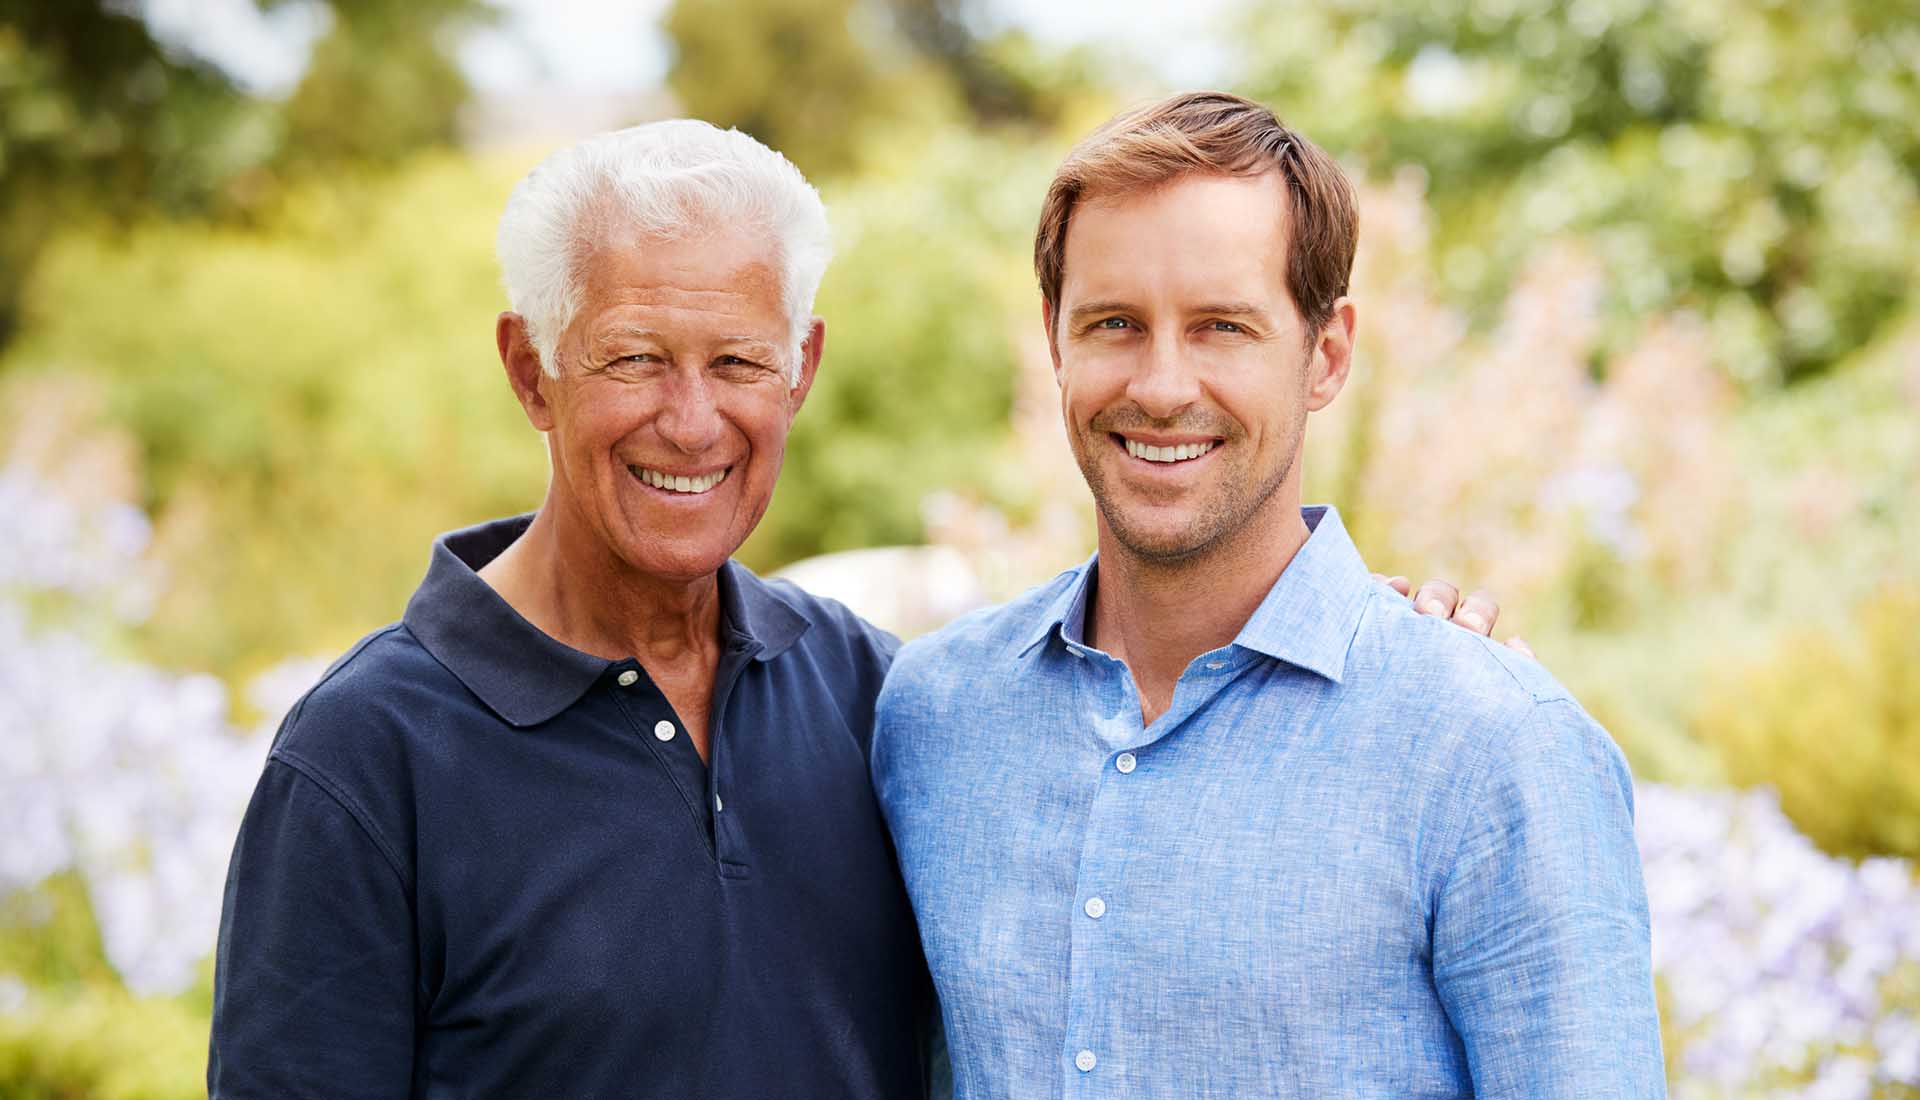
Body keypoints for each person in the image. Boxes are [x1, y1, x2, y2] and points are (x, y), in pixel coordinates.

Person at [208, 119, 1503, 1096]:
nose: (692, 418)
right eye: (634, 358)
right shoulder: (364, 768)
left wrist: (1380, 643)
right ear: (530, 369)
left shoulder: (883, 701)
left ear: (803, 369)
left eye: (738, 362)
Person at [870, 91, 1665, 1098]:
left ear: (1325, 353)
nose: (1161, 385)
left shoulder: (1491, 747)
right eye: (1114, 322)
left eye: (1222, 327)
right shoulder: (934, 715)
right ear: (1054, 337)